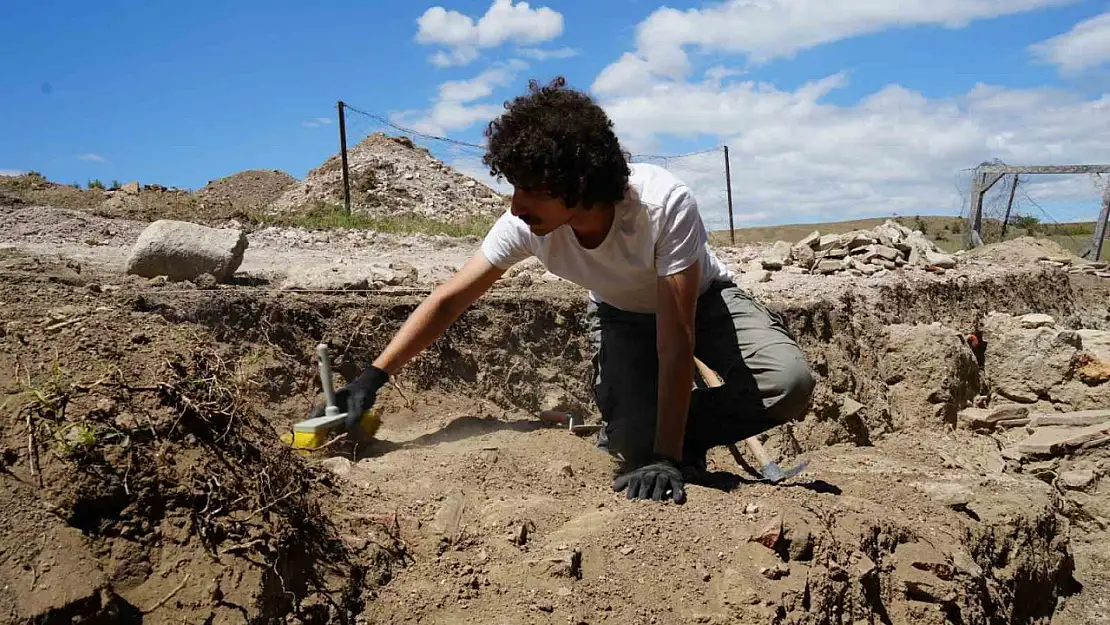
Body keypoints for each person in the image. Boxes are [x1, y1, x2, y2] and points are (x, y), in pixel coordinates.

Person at [309, 77, 815, 504]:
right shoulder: (525, 225)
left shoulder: (663, 206)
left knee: (788, 383)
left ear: (580, 184)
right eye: (513, 185)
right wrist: (371, 379)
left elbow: (676, 337)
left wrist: (665, 452)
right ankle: (648, 434)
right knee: (630, 445)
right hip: (620, 314)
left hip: (701, 302)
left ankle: (676, 438)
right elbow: (450, 299)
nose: (515, 205)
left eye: (531, 189)